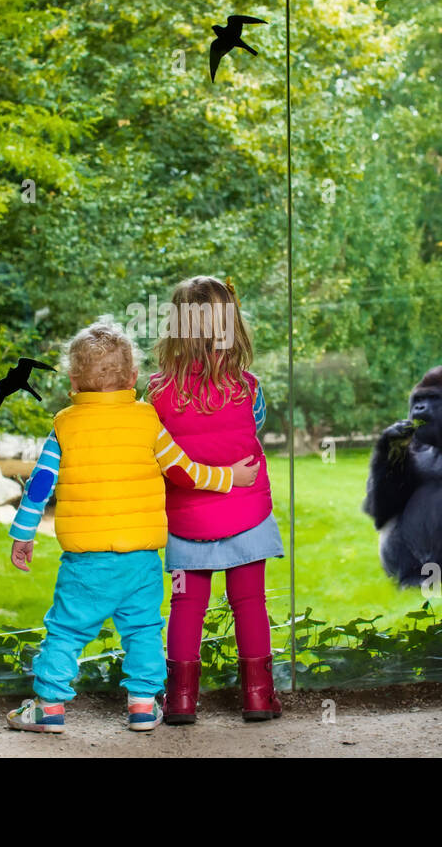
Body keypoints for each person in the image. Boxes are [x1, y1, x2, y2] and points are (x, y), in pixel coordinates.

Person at [5, 318, 259, 733]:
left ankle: (49, 706)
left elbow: (40, 485)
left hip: (85, 560)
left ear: (73, 381)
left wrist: (23, 533)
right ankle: (143, 705)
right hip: (140, 559)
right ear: (134, 377)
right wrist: (230, 476)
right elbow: (183, 470)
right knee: (143, 629)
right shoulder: (146, 420)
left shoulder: (65, 425)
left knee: (66, 630)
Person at [148, 276, 285, 724]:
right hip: (247, 513)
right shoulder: (248, 386)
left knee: (186, 605)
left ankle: (182, 700)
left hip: (187, 520)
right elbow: (254, 426)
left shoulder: (157, 393)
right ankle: (259, 696)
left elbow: (155, 449)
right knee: (250, 602)